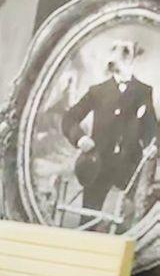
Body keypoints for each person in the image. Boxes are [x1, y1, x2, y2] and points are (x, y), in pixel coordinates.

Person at [60, 39, 158, 218]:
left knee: (130, 219)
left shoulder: (144, 92)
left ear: (134, 57)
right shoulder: (98, 91)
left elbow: (151, 129)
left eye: (125, 52)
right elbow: (69, 119)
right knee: (88, 219)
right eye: (115, 50)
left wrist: (152, 146)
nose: (118, 56)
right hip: (98, 164)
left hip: (129, 168)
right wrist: (80, 138)